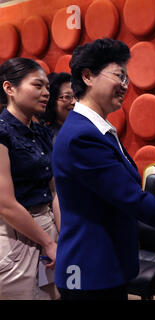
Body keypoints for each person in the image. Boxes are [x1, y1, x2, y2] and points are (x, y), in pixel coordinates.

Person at [52, 38, 155, 300]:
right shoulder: (81, 136)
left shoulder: (99, 131)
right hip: (89, 268)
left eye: (126, 79)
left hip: (107, 264)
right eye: (118, 76)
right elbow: (131, 199)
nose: (124, 86)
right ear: (87, 76)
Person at [0, 57, 59, 299]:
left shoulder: (42, 132)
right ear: (10, 88)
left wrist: (60, 237)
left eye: (47, 87)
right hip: (15, 234)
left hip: (48, 228)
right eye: (37, 85)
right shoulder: (2, 131)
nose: (46, 92)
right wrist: (47, 243)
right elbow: (6, 204)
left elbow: (55, 191)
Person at [44, 72, 75, 141]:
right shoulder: (47, 137)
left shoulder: (88, 129)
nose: (74, 102)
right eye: (67, 97)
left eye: (77, 96)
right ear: (52, 101)